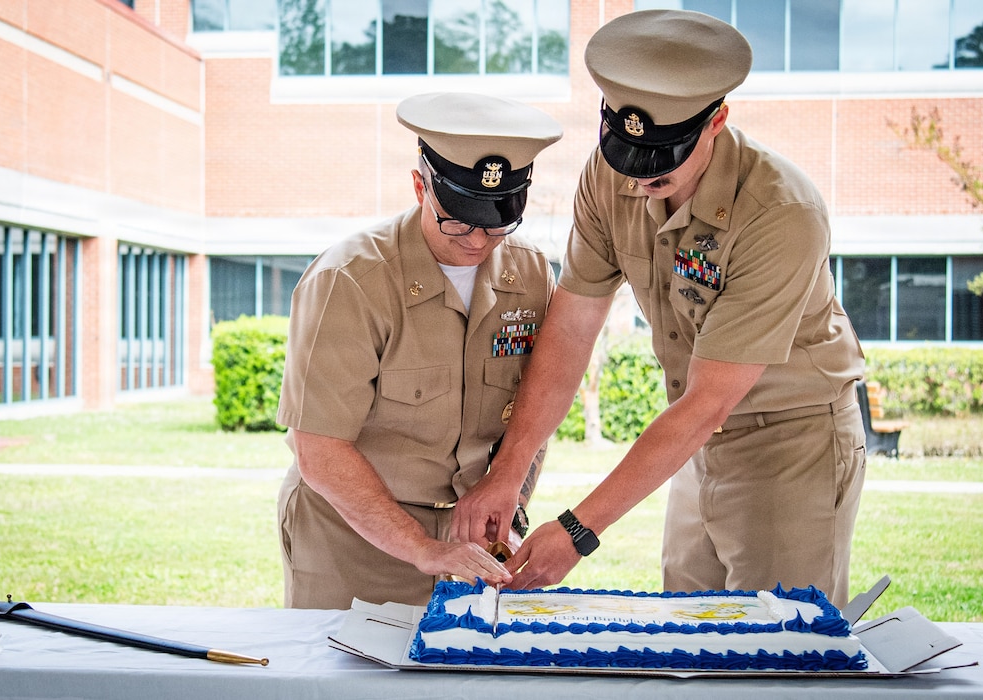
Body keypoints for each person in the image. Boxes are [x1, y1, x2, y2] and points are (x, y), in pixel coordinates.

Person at [451, 10, 867, 607]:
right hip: (693, 440)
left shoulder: (781, 212)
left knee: (776, 644)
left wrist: (576, 531)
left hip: (790, 440)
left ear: (716, 120)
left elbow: (708, 400)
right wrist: (509, 477)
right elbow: (572, 328)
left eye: (662, 159)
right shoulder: (611, 174)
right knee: (686, 626)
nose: (641, 178)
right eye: (626, 154)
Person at [276, 92, 563, 609]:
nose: (478, 240)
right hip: (353, 537)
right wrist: (422, 549)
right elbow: (318, 449)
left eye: (497, 222)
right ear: (419, 186)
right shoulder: (351, 280)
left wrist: (509, 502)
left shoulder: (532, 273)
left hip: (473, 542)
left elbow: (535, 404)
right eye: (458, 219)